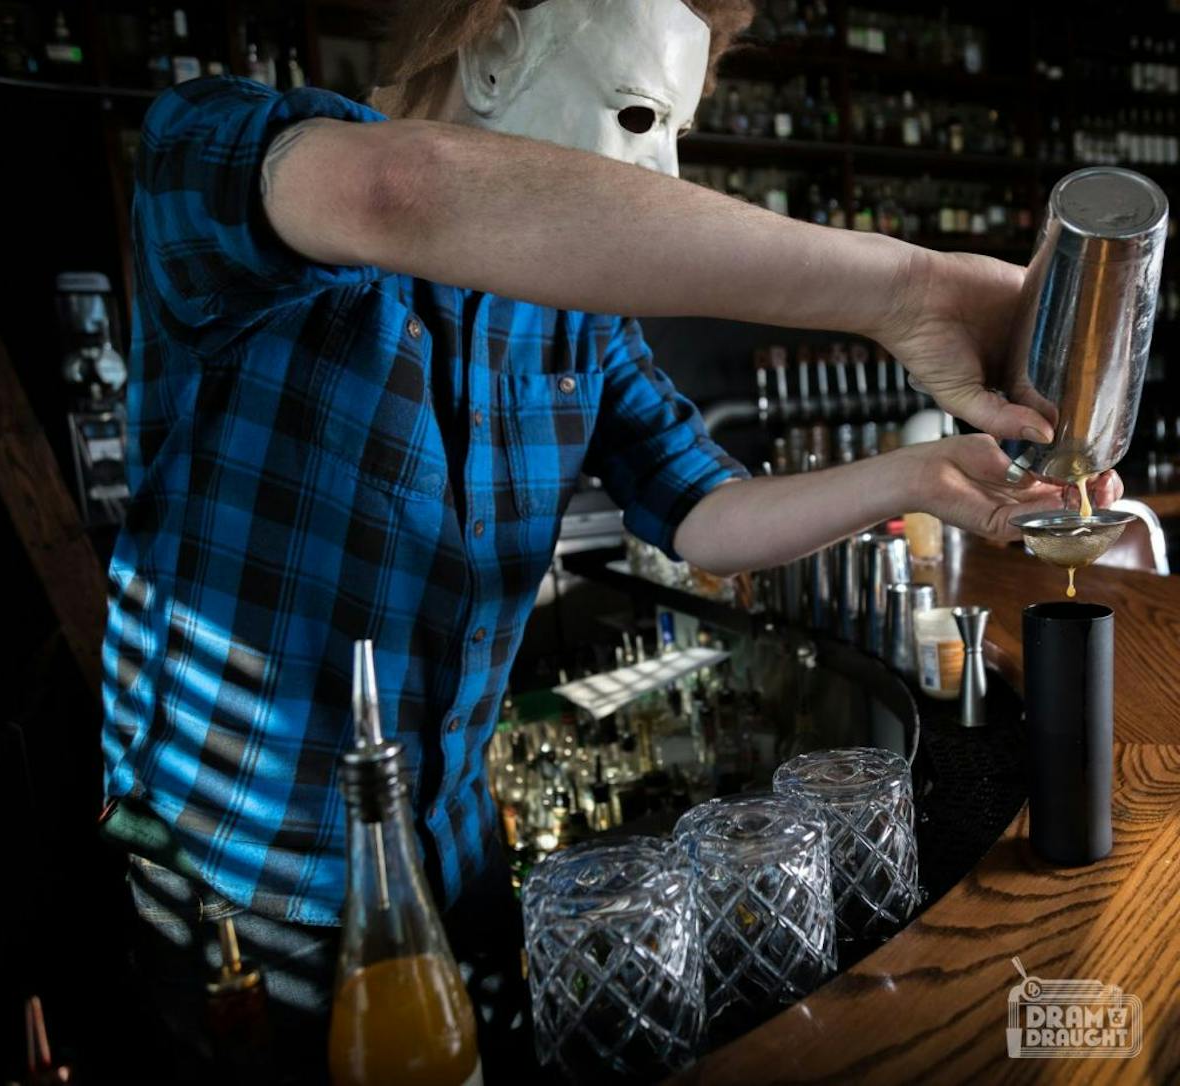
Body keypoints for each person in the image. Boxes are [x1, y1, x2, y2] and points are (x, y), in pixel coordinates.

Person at [101, 0, 1120, 1081]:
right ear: (492, 56)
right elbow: (394, 193)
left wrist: (919, 476)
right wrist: (906, 290)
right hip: (233, 883)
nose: (665, 174)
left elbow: (703, 514)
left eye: (678, 129)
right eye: (636, 114)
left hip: (455, 850)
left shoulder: (573, 320)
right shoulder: (211, 148)